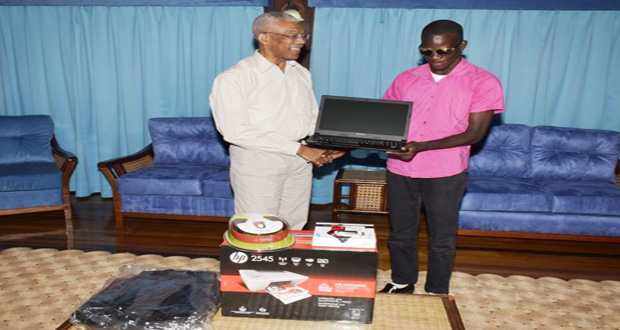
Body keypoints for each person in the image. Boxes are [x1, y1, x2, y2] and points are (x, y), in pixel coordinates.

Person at [379, 20, 505, 294]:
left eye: (444, 51)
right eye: (427, 51)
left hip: (445, 172)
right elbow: (388, 121)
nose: (435, 58)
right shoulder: (406, 78)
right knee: (400, 232)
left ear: (462, 46)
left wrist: (421, 147)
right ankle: (402, 281)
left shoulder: (483, 81)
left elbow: (475, 133)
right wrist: (362, 141)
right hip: (400, 168)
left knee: (442, 237)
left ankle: (437, 289)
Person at [209, 12, 344, 230]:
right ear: (264, 38)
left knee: (294, 226)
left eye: (303, 36)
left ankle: (286, 266)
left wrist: (326, 145)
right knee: (257, 229)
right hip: (259, 162)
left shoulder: (300, 73)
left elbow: (310, 117)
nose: (301, 41)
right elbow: (235, 132)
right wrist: (299, 149)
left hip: (300, 162)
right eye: (292, 35)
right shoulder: (234, 78)